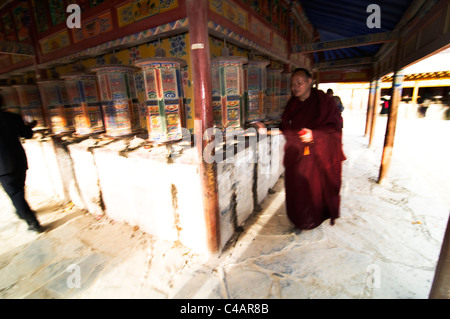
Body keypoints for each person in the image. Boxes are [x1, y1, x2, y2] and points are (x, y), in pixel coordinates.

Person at [280, 68, 346, 230]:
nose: (295, 87)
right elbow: (285, 126)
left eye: (299, 83)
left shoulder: (324, 101)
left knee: (314, 189)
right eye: (292, 84)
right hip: (296, 154)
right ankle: (299, 219)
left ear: (310, 82)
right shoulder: (293, 104)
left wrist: (315, 135)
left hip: (317, 155)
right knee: (296, 188)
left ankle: (313, 219)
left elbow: (335, 128)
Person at [0, 95, 43, 232]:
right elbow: (27, 134)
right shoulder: (12, 117)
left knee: (15, 194)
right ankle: (22, 211)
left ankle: (32, 222)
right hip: (18, 161)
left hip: (2, 166)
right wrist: (29, 127)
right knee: (19, 189)